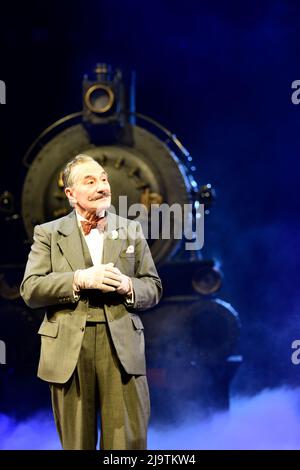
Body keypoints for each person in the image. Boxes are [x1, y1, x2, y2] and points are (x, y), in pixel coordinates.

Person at [20, 154, 162, 450]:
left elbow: (153, 287)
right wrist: (79, 278)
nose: (102, 186)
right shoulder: (48, 233)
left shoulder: (131, 230)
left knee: (128, 445)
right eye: (91, 181)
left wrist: (127, 285)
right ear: (71, 194)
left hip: (121, 345)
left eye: (104, 179)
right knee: (77, 444)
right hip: (69, 349)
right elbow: (30, 289)